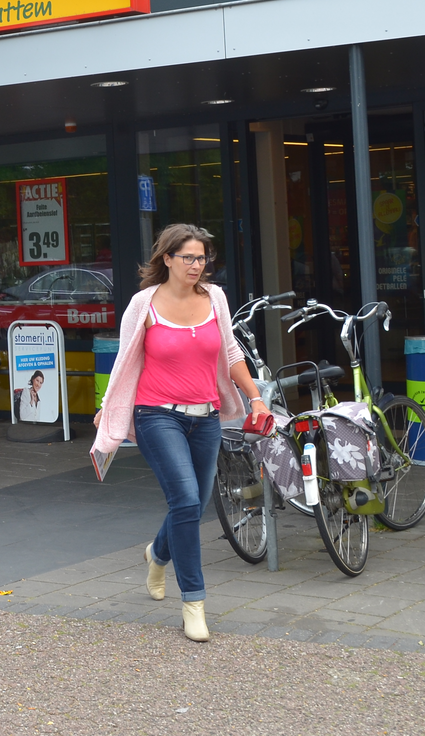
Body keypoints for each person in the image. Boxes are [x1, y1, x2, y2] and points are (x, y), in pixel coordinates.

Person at [92, 224, 267, 643]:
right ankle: (194, 603)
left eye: (202, 257)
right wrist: (108, 406)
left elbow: (230, 352)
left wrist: (256, 398)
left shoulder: (216, 298)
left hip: (205, 417)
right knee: (187, 500)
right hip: (157, 415)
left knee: (192, 503)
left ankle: (157, 552)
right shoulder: (143, 304)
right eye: (188, 257)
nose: (197, 265)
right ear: (166, 258)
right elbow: (125, 360)